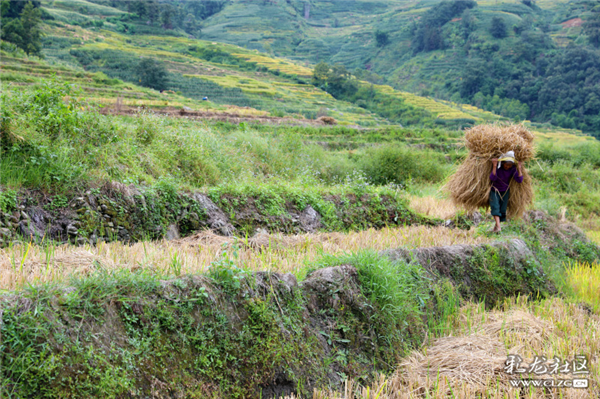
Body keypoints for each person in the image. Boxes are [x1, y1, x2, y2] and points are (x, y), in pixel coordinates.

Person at [489, 150, 523, 232]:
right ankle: (499, 228)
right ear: (503, 162)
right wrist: (494, 165)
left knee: (502, 209)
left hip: (505, 191)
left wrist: (519, 168)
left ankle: (496, 227)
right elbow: (492, 178)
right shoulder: (498, 168)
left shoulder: (512, 170)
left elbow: (519, 180)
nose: (507, 166)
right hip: (494, 190)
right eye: (506, 164)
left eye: (510, 165)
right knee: (495, 207)